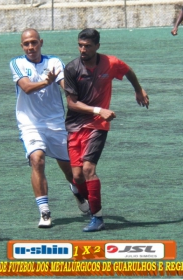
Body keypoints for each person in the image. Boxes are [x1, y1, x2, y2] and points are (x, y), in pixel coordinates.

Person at [64, 28, 149, 232]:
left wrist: (138, 89)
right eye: (80, 45)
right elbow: (72, 103)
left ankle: (97, 217)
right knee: (76, 176)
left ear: (97, 47)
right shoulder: (72, 69)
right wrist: (98, 109)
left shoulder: (110, 63)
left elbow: (127, 71)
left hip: (98, 126)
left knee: (88, 169)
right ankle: (80, 192)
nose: (83, 50)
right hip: (75, 125)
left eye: (87, 46)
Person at [9, 28, 89, 228]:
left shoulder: (53, 62)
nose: (30, 47)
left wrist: (78, 94)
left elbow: (64, 84)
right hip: (30, 124)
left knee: (72, 173)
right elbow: (26, 88)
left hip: (55, 123)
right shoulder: (16, 63)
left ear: (41, 42)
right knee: (37, 160)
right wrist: (46, 81)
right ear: (22, 46)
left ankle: (76, 190)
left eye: (34, 42)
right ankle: (45, 212)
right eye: (26, 44)